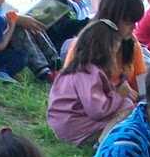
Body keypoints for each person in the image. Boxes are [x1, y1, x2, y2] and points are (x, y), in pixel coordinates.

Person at [46, 18, 136, 148]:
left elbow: (93, 98)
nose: (113, 59)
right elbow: (98, 110)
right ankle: (101, 144)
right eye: (113, 53)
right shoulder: (89, 73)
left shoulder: (75, 68)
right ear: (103, 51)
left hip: (62, 125)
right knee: (126, 105)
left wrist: (116, 89)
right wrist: (118, 95)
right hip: (74, 130)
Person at [62, 0, 150, 95]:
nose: (134, 28)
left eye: (135, 22)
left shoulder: (131, 43)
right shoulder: (84, 46)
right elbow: (75, 92)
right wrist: (115, 94)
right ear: (111, 20)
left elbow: (141, 86)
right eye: (128, 23)